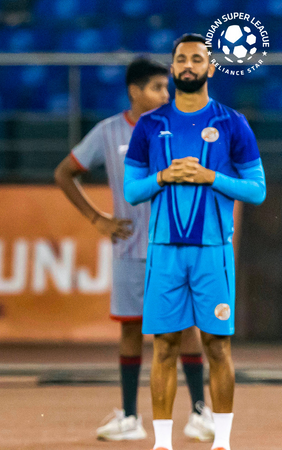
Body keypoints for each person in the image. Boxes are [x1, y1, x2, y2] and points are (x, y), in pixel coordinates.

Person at [55, 57, 216, 442]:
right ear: (134, 91)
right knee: (130, 329)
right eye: (158, 88)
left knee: (186, 327)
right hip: (130, 249)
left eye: (166, 87)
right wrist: (97, 219)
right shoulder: (108, 132)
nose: (165, 94)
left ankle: (200, 413)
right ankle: (130, 418)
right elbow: (64, 173)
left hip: (175, 246)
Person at [124, 33, 266, 450]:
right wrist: (163, 176)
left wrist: (211, 177)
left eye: (197, 59)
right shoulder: (150, 125)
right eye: (182, 59)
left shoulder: (232, 123)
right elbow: (132, 191)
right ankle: (162, 444)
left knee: (217, 347)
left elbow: (257, 190)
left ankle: (222, 441)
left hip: (213, 252)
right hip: (164, 251)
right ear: (172, 68)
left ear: (211, 68)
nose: (189, 65)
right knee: (164, 347)